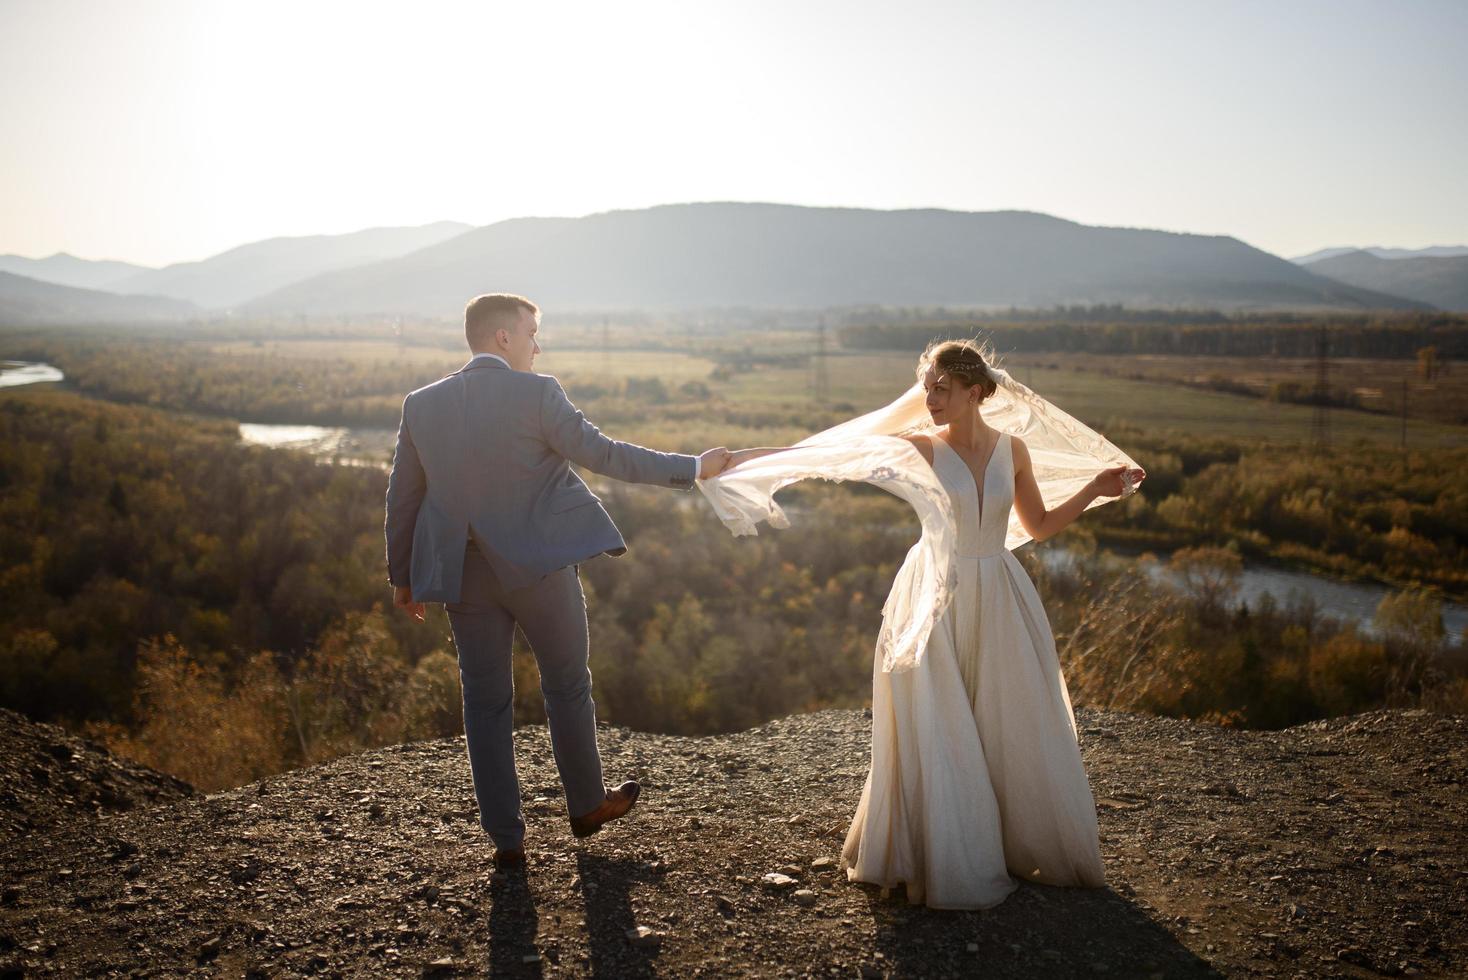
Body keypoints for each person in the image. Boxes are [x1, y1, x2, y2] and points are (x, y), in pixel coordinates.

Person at [704, 340, 1144, 908]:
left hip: (1000, 590)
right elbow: (830, 454)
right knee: (939, 720)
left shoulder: (1015, 450)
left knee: (1006, 717)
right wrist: (741, 459)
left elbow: (1036, 527)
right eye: (927, 386)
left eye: (943, 387)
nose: (930, 397)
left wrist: (1093, 488)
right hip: (933, 589)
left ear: (977, 392)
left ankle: (1012, 842)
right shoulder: (921, 448)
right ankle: (947, 853)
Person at [385, 293, 731, 869]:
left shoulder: (421, 404)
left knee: (484, 702)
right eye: (531, 333)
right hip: (539, 570)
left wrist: (404, 577)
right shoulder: (539, 393)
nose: (536, 345)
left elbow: (403, 496)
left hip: (462, 578)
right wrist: (694, 468)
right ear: (502, 338)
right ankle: (587, 804)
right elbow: (606, 456)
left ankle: (506, 839)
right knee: (567, 685)